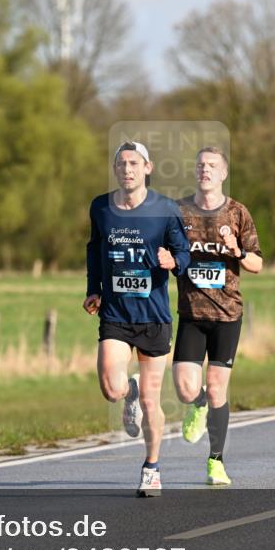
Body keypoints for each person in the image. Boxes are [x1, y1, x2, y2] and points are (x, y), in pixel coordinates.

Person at [84, 141, 190, 497]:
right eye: (121, 163)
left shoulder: (165, 209)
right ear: (115, 170)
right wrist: (93, 288)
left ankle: (152, 468)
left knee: (151, 400)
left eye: (134, 163)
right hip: (115, 313)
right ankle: (126, 390)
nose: (127, 169)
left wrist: (173, 262)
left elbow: (184, 252)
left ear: (148, 168)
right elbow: (95, 248)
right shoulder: (101, 207)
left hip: (153, 317)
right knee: (111, 389)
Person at [172, 147, 263, 484]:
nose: (205, 170)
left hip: (227, 314)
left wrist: (236, 250)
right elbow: (164, 250)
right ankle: (195, 405)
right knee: (184, 387)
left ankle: (216, 461)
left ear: (224, 173)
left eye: (212, 165)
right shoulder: (179, 211)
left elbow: (257, 263)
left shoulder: (238, 213)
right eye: (199, 165)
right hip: (191, 313)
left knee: (217, 387)